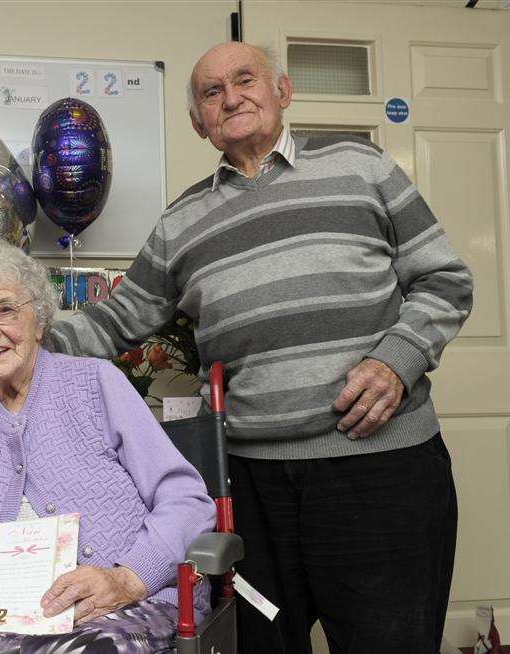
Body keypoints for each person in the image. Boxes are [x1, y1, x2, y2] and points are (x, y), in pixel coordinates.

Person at [46, 41, 473, 653]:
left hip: (383, 470)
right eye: (211, 92)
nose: (231, 97)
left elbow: (445, 279)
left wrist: (397, 359)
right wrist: (22, 338)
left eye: (245, 80)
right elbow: (118, 321)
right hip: (251, 487)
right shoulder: (181, 222)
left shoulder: (363, 166)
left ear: (282, 91)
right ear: (199, 123)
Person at [0, 240, 216, 653]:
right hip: (1, 624)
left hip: (131, 606)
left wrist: (126, 578)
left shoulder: (95, 383)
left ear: (39, 321)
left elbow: (186, 501)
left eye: (5, 309)